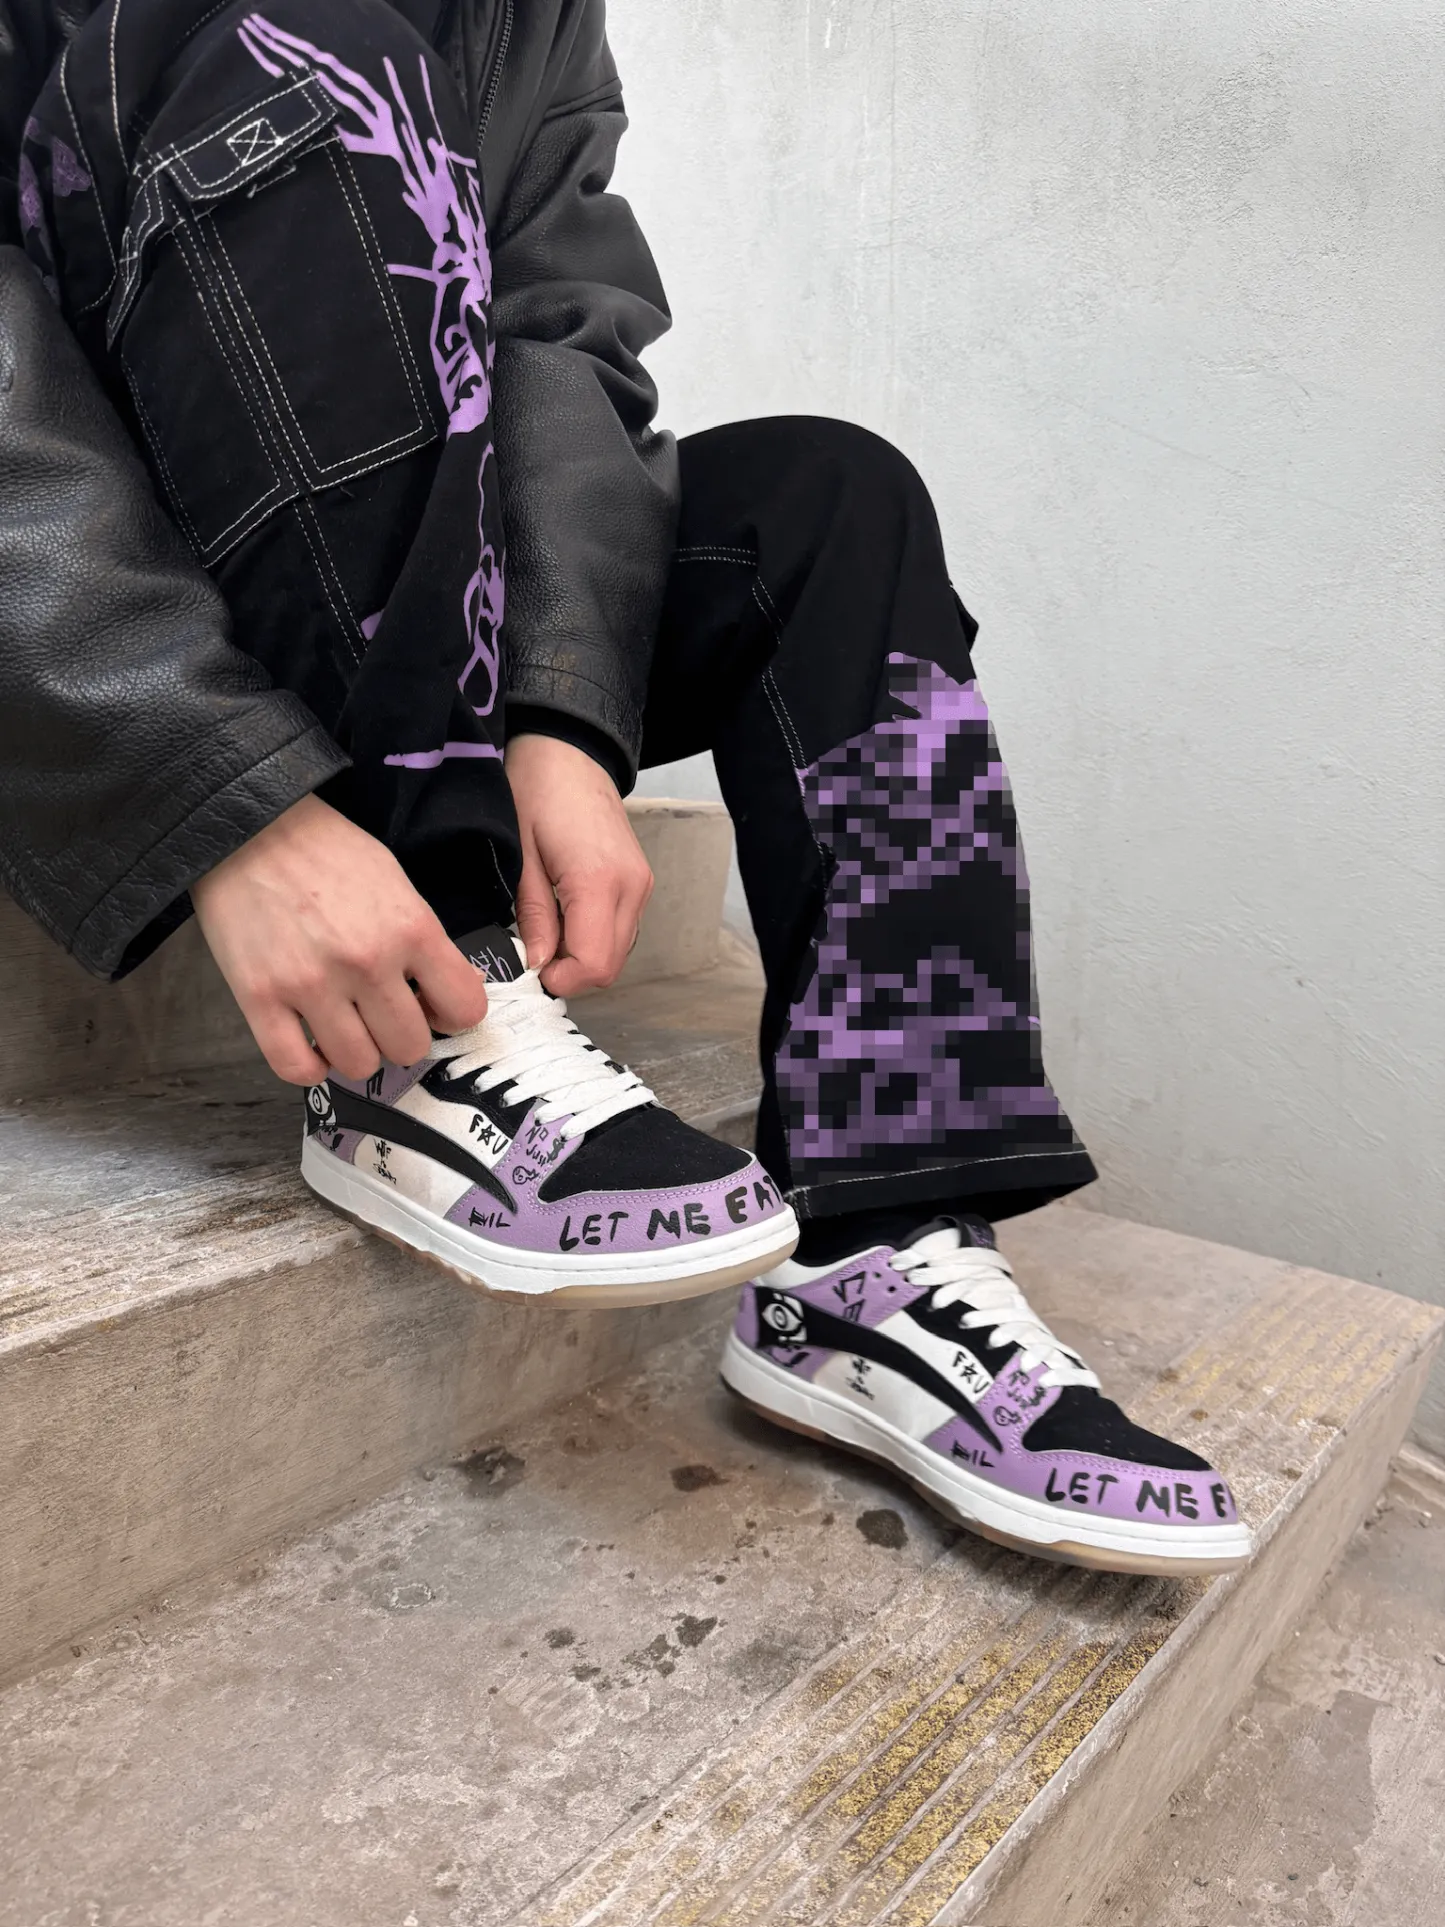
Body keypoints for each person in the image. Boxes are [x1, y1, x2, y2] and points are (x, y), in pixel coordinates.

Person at [0, 0, 1250, 1573]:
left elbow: (556, 326)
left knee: (830, 500)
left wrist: (561, 710)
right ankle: (428, 1002)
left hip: (403, 576)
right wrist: (227, 802)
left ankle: (875, 1251)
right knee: (306, 40)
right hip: (94, 586)